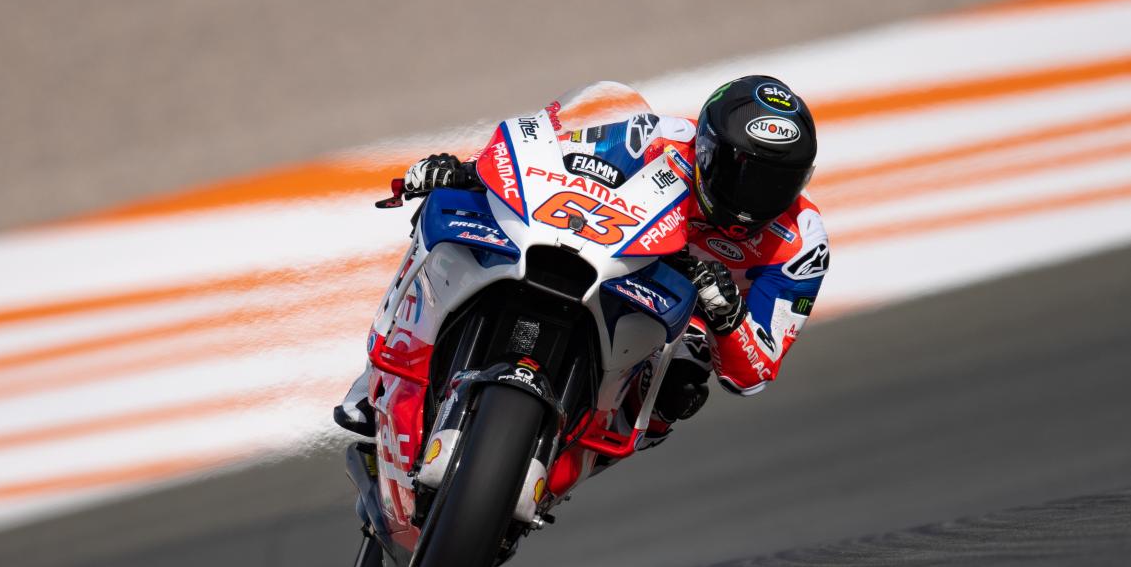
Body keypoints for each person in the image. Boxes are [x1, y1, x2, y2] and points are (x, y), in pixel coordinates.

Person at [335, 75, 828, 447]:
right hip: (604, 255)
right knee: (453, 213)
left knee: (684, 378)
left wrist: (728, 313)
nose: (751, 198)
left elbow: (755, 371)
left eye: (774, 184)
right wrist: (467, 171)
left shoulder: (800, 242)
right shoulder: (653, 138)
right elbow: (551, 158)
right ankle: (377, 375)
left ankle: (579, 446)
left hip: (678, 314)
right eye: (739, 173)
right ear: (704, 147)